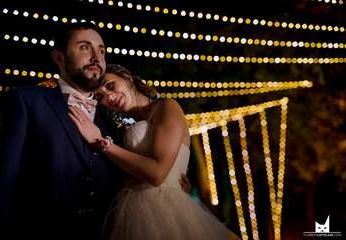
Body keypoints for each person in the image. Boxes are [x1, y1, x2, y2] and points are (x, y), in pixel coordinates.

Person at [0, 22, 190, 240]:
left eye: (101, 50)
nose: (96, 57)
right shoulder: (27, 101)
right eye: (85, 47)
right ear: (59, 57)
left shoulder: (111, 120)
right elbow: (1, 182)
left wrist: (176, 182)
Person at [68, 64, 241, 240]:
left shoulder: (167, 107)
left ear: (127, 78)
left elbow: (158, 174)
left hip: (166, 210)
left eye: (110, 86)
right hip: (131, 210)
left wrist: (103, 144)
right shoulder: (125, 127)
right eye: (100, 96)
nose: (109, 97)